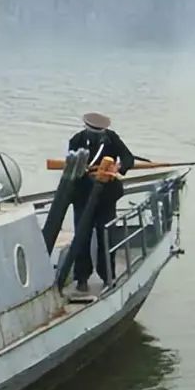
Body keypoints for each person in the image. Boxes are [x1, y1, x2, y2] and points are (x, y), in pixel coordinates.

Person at [67, 113, 135, 292]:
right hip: (83, 196)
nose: (97, 135)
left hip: (106, 197)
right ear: (86, 128)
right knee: (82, 236)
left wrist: (118, 167)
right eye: (94, 132)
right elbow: (72, 166)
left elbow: (129, 158)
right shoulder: (76, 140)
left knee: (106, 237)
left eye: (100, 132)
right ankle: (81, 278)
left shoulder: (112, 139)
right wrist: (87, 173)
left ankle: (108, 277)